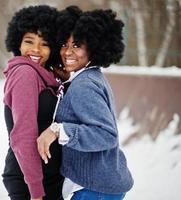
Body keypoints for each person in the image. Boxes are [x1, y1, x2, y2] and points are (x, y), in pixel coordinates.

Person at [37, 8, 134, 200]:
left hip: (93, 190)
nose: (68, 52)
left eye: (77, 45)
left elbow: (106, 135)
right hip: (97, 185)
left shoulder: (85, 85)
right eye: (65, 44)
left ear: (94, 47)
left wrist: (58, 130)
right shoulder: (91, 77)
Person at [2, 5, 64, 200]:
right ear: (18, 43)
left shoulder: (46, 76)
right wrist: (36, 192)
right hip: (30, 181)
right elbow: (23, 135)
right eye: (29, 41)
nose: (36, 49)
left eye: (44, 44)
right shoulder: (25, 73)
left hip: (48, 177)